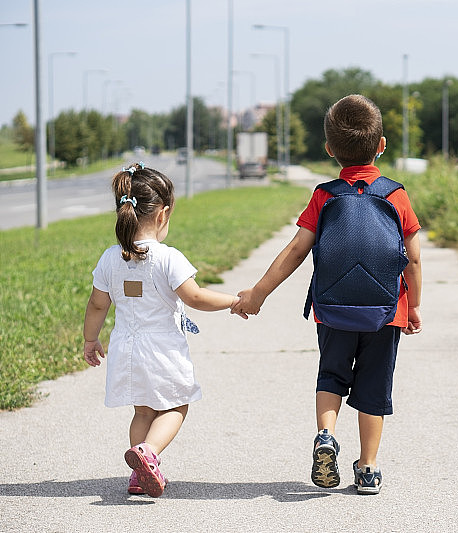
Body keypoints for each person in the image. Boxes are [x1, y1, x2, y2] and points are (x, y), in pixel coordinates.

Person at [233, 94, 423, 494]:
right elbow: (413, 260)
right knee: (374, 389)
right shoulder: (396, 195)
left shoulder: (324, 196)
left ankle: (325, 435)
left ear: (329, 150)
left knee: (332, 376)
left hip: (332, 308)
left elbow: (296, 250)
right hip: (386, 311)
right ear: (382, 145)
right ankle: (368, 468)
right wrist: (415, 306)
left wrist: (258, 294)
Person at [82, 162, 242, 497]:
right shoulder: (168, 258)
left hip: (127, 349)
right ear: (162, 215)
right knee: (176, 406)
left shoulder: (110, 258)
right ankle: (148, 454)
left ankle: (139, 475)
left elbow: (98, 304)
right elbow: (195, 297)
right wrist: (233, 301)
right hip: (162, 350)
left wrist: (90, 339)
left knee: (142, 410)